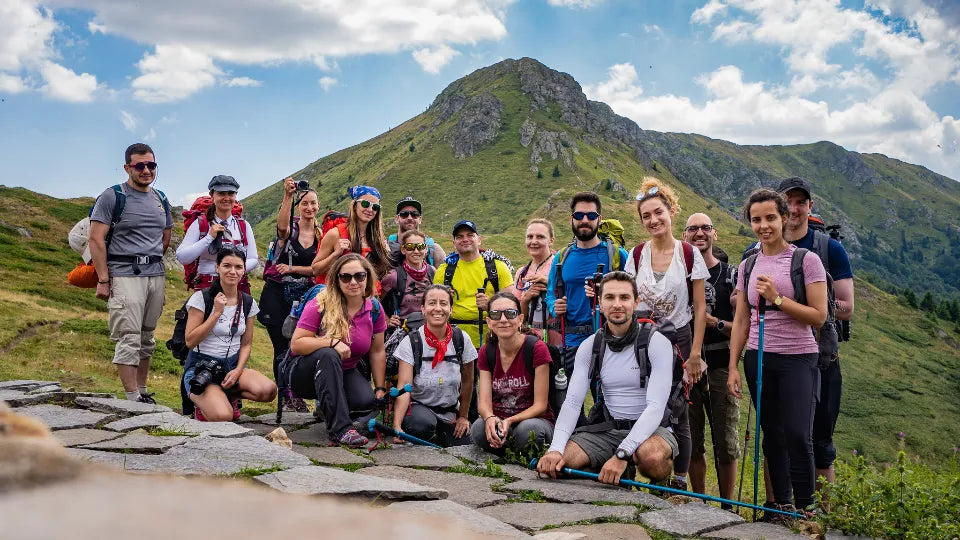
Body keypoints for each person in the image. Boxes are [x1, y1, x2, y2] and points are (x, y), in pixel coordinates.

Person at [727, 188, 828, 517]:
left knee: (798, 434)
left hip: (799, 357)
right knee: (772, 434)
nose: (763, 226)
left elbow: (819, 316)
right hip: (758, 358)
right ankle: (781, 507)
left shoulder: (806, 260)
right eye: (756, 220)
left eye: (770, 218)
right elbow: (742, 319)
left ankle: (807, 508)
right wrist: (733, 366)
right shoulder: (748, 265)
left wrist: (777, 298)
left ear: (784, 218)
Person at [537, 272, 678, 485]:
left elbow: (656, 406)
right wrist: (555, 449)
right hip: (610, 429)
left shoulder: (656, 343)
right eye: (610, 298)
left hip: (654, 430)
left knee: (651, 459)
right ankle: (616, 476)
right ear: (600, 304)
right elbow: (573, 402)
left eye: (624, 297)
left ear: (636, 302)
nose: (617, 304)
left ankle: (659, 485)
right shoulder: (590, 346)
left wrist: (623, 453)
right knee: (558, 466)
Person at [626, 177, 709, 490]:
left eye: (658, 212)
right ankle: (635, 471)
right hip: (643, 341)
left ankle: (678, 482)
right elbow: (630, 299)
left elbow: (699, 307)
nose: (653, 220)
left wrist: (695, 354)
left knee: (679, 410)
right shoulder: (636, 255)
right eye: (646, 216)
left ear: (671, 211)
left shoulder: (688, 254)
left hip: (680, 342)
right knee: (639, 403)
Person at [778, 177, 854, 491]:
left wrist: (805, 305)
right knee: (778, 439)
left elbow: (847, 307)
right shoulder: (760, 248)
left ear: (810, 206)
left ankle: (821, 515)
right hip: (778, 356)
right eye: (788, 202)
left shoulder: (830, 248)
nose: (794, 208)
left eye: (800, 202)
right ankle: (779, 509)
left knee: (821, 442)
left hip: (822, 359)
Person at [89, 143, 173, 403]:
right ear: (127, 168)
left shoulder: (161, 198)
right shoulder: (112, 196)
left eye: (151, 165)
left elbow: (165, 236)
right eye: (140, 165)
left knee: (147, 336)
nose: (146, 170)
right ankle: (132, 397)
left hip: (155, 274)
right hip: (124, 274)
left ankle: (143, 392)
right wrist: (104, 279)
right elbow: (95, 238)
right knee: (129, 335)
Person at [290, 254, 388, 447]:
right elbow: (296, 344)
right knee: (328, 354)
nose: (353, 282)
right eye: (346, 277)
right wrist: (331, 342)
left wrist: (379, 388)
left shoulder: (375, 308)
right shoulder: (320, 303)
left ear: (367, 277)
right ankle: (340, 430)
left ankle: (327, 408)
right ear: (337, 280)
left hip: (345, 371)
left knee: (365, 401)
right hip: (306, 374)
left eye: (359, 276)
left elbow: (377, 351)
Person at [681, 213, 740, 505]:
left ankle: (728, 506)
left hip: (721, 366)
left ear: (714, 234)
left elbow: (744, 326)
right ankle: (699, 502)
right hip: (687, 368)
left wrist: (714, 323)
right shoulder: (679, 276)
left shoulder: (731, 275)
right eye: (693, 229)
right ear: (685, 236)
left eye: (705, 228)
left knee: (725, 442)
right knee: (692, 440)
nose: (699, 233)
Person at [183, 247, 277, 421]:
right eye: (227, 266)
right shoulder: (201, 298)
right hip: (201, 369)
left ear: (244, 270)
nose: (232, 271)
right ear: (217, 267)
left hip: (231, 366)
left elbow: (246, 344)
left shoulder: (247, 302)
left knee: (268, 390)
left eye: (238, 267)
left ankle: (229, 395)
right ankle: (202, 403)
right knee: (223, 416)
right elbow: (190, 341)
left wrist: (238, 371)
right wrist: (216, 313)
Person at [545, 192, 629, 372]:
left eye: (591, 216)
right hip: (572, 342)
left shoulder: (616, 254)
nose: (585, 220)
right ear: (571, 219)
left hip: (610, 339)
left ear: (599, 219)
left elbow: (633, 291)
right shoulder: (561, 257)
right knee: (573, 390)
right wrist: (554, 306)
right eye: (579, 215)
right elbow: (550, 292)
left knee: (609, 390)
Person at [257, 178, 319, 411]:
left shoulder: (322, 234)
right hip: (276, 294)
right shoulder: (290, 230)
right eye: (304, 203)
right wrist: (287, 196)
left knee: (298, 345)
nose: (309, 207)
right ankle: (287, 396)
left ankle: (296, 391)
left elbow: (319, 269)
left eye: (313, 203)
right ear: (298, 206)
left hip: (304, 296)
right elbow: (281, 229)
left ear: (318, 206)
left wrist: (293, 268)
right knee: (281, 347)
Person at [391, 285, 476, 446]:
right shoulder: (412, 341)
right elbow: (404, 386)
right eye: (432, 303)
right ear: (423, 309)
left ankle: (441, 432)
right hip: (420, 407)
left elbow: (468, 382)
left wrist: (463, 416)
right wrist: (397, 426)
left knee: (465, 442)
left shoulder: (461, 339)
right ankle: (426, 430)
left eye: (443, 303)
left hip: (451, 410)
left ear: (451, 309)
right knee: (420, 426)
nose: (438, 308)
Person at [471, 292, 554, 453]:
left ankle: (509, 447)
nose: (503, 320)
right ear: (489, 322)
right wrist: (489, 417)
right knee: (479, 429)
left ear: (520, 319)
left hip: (534, 420)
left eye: (510, 313)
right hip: (500, 419)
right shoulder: (486, 351)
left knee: (528, 432)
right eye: (496, 314)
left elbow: (541, 406)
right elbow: (484, 402)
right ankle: (505, 444)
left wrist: (510, 421)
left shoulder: (536, 348)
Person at [434, 220, 514, 348]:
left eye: (470, 235)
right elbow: (434, 306)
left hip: (492, 340)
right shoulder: (444, 271)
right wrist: (444, 300)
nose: (465, 239)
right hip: (453, 340)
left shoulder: (498, 267)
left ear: (479, 240)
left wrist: (490, 305)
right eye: (459, 237)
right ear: (454, 244)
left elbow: (511, 304)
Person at [175, 175, 258, 293]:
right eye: (221, 193)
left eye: (231, 193)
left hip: (237, 286)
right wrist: (209, 238)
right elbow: (182, 257)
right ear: (212, 195)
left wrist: (232, 270)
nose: (226, 198)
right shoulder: (200, 224)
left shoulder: (244, 225)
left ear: (235, 195)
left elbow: (253, 258)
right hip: (207, 287)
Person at [312, 185, 391, 282]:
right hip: (339, 290)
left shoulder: (379, 238)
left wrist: (386, 255)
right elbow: (315, 270)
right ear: (354, 205)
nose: (370, 210)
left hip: (369, 290)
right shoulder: (336, 234)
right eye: (365, 204)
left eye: (375, 207)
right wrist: (336, 254)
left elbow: (379, 273)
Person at [513, 219, 559, 343]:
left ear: (551, 240)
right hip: (531, 339)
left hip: (559, 337)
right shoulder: (521, 273)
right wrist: (526, 298)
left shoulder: (561, 266)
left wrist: (549, 283)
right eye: (530, 237)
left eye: (540, 237)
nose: (533, 241)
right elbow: (517, 316)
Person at [381, 230, 436, 329]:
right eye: (410, 247)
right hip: (404, 330)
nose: (416, 251)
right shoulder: (393, 276)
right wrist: (386, 320)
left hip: (430, 328)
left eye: (420, 246)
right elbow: (374, 300)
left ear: (426, 249)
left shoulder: (432, 272)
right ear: (403, 250)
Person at [387, 196, 445, 267]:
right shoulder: (384, 247)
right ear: (397, 219)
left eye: (414, 214)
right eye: (404, 214)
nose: (409, 218)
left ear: (420, 219)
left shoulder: (435, 250)